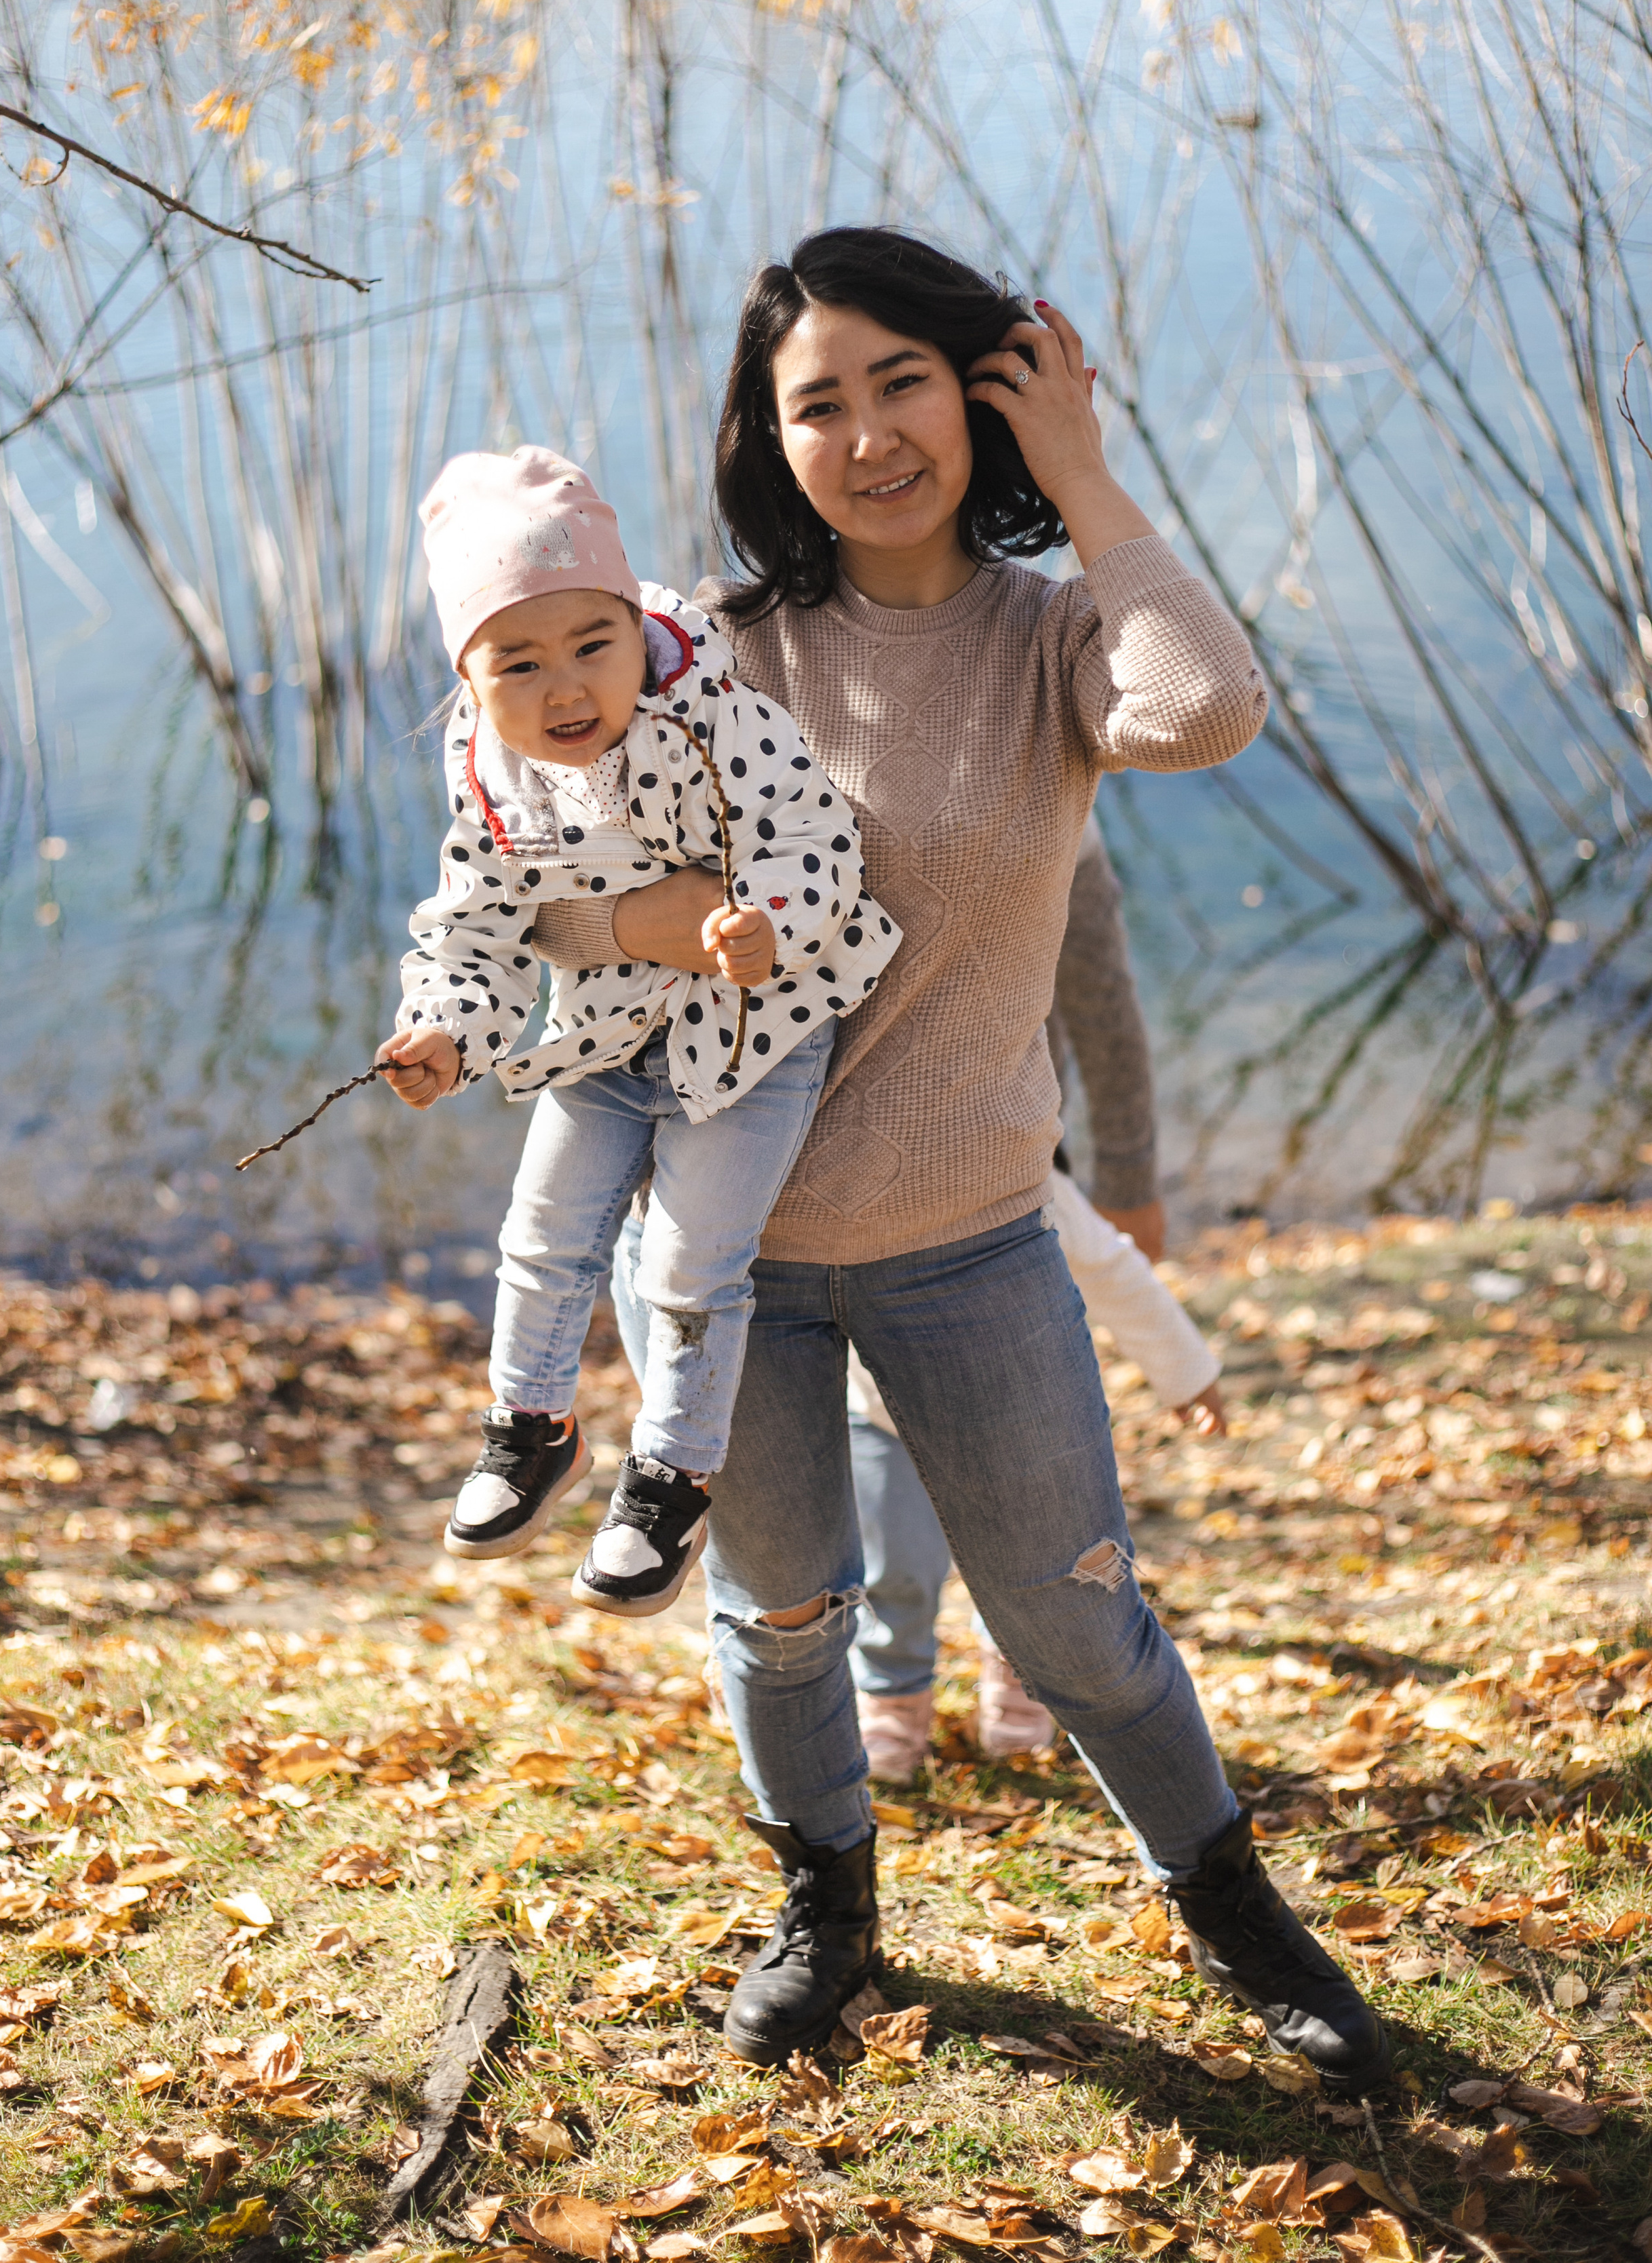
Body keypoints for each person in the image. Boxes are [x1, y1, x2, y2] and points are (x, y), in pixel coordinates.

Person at [531, 227, 1391, 2093]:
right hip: (730, 1260)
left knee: (1077, 1625)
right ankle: (824, 1909)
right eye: (815, 405)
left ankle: (1236, 1913)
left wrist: (1080, 475)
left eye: (900, 384)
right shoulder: (706, 651)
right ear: (768, 438)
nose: (865, 437)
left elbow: (1208, 710)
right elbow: (553, 898)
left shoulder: (1056, 644)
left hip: (974, 1246)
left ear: (978, 392)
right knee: (780, 1623)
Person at [375, 445, 896, 1616]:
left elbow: (820, 840)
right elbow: (479, 930)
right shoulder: (495, 778)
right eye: (519, 664)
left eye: (591, 646)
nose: (565, 689)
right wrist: (444, 1034)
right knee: (543, 1230)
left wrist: (770, 922)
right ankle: (532, 1426)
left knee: (690, 1265)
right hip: (606, 1033)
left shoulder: (716, 713)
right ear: (470, 677)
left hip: (757, 1027)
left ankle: (671, 1477)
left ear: (631, 624)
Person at [850, 819, 1224, 1779]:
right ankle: (891, 1696)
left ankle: (1020, 1682)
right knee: (891, 1568)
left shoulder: (1015, 1180)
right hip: (874, 1413)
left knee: (1030, 1559)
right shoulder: (834, 1178)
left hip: (1006, 1407)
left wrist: (1187, 1374)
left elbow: (1115, 1271)